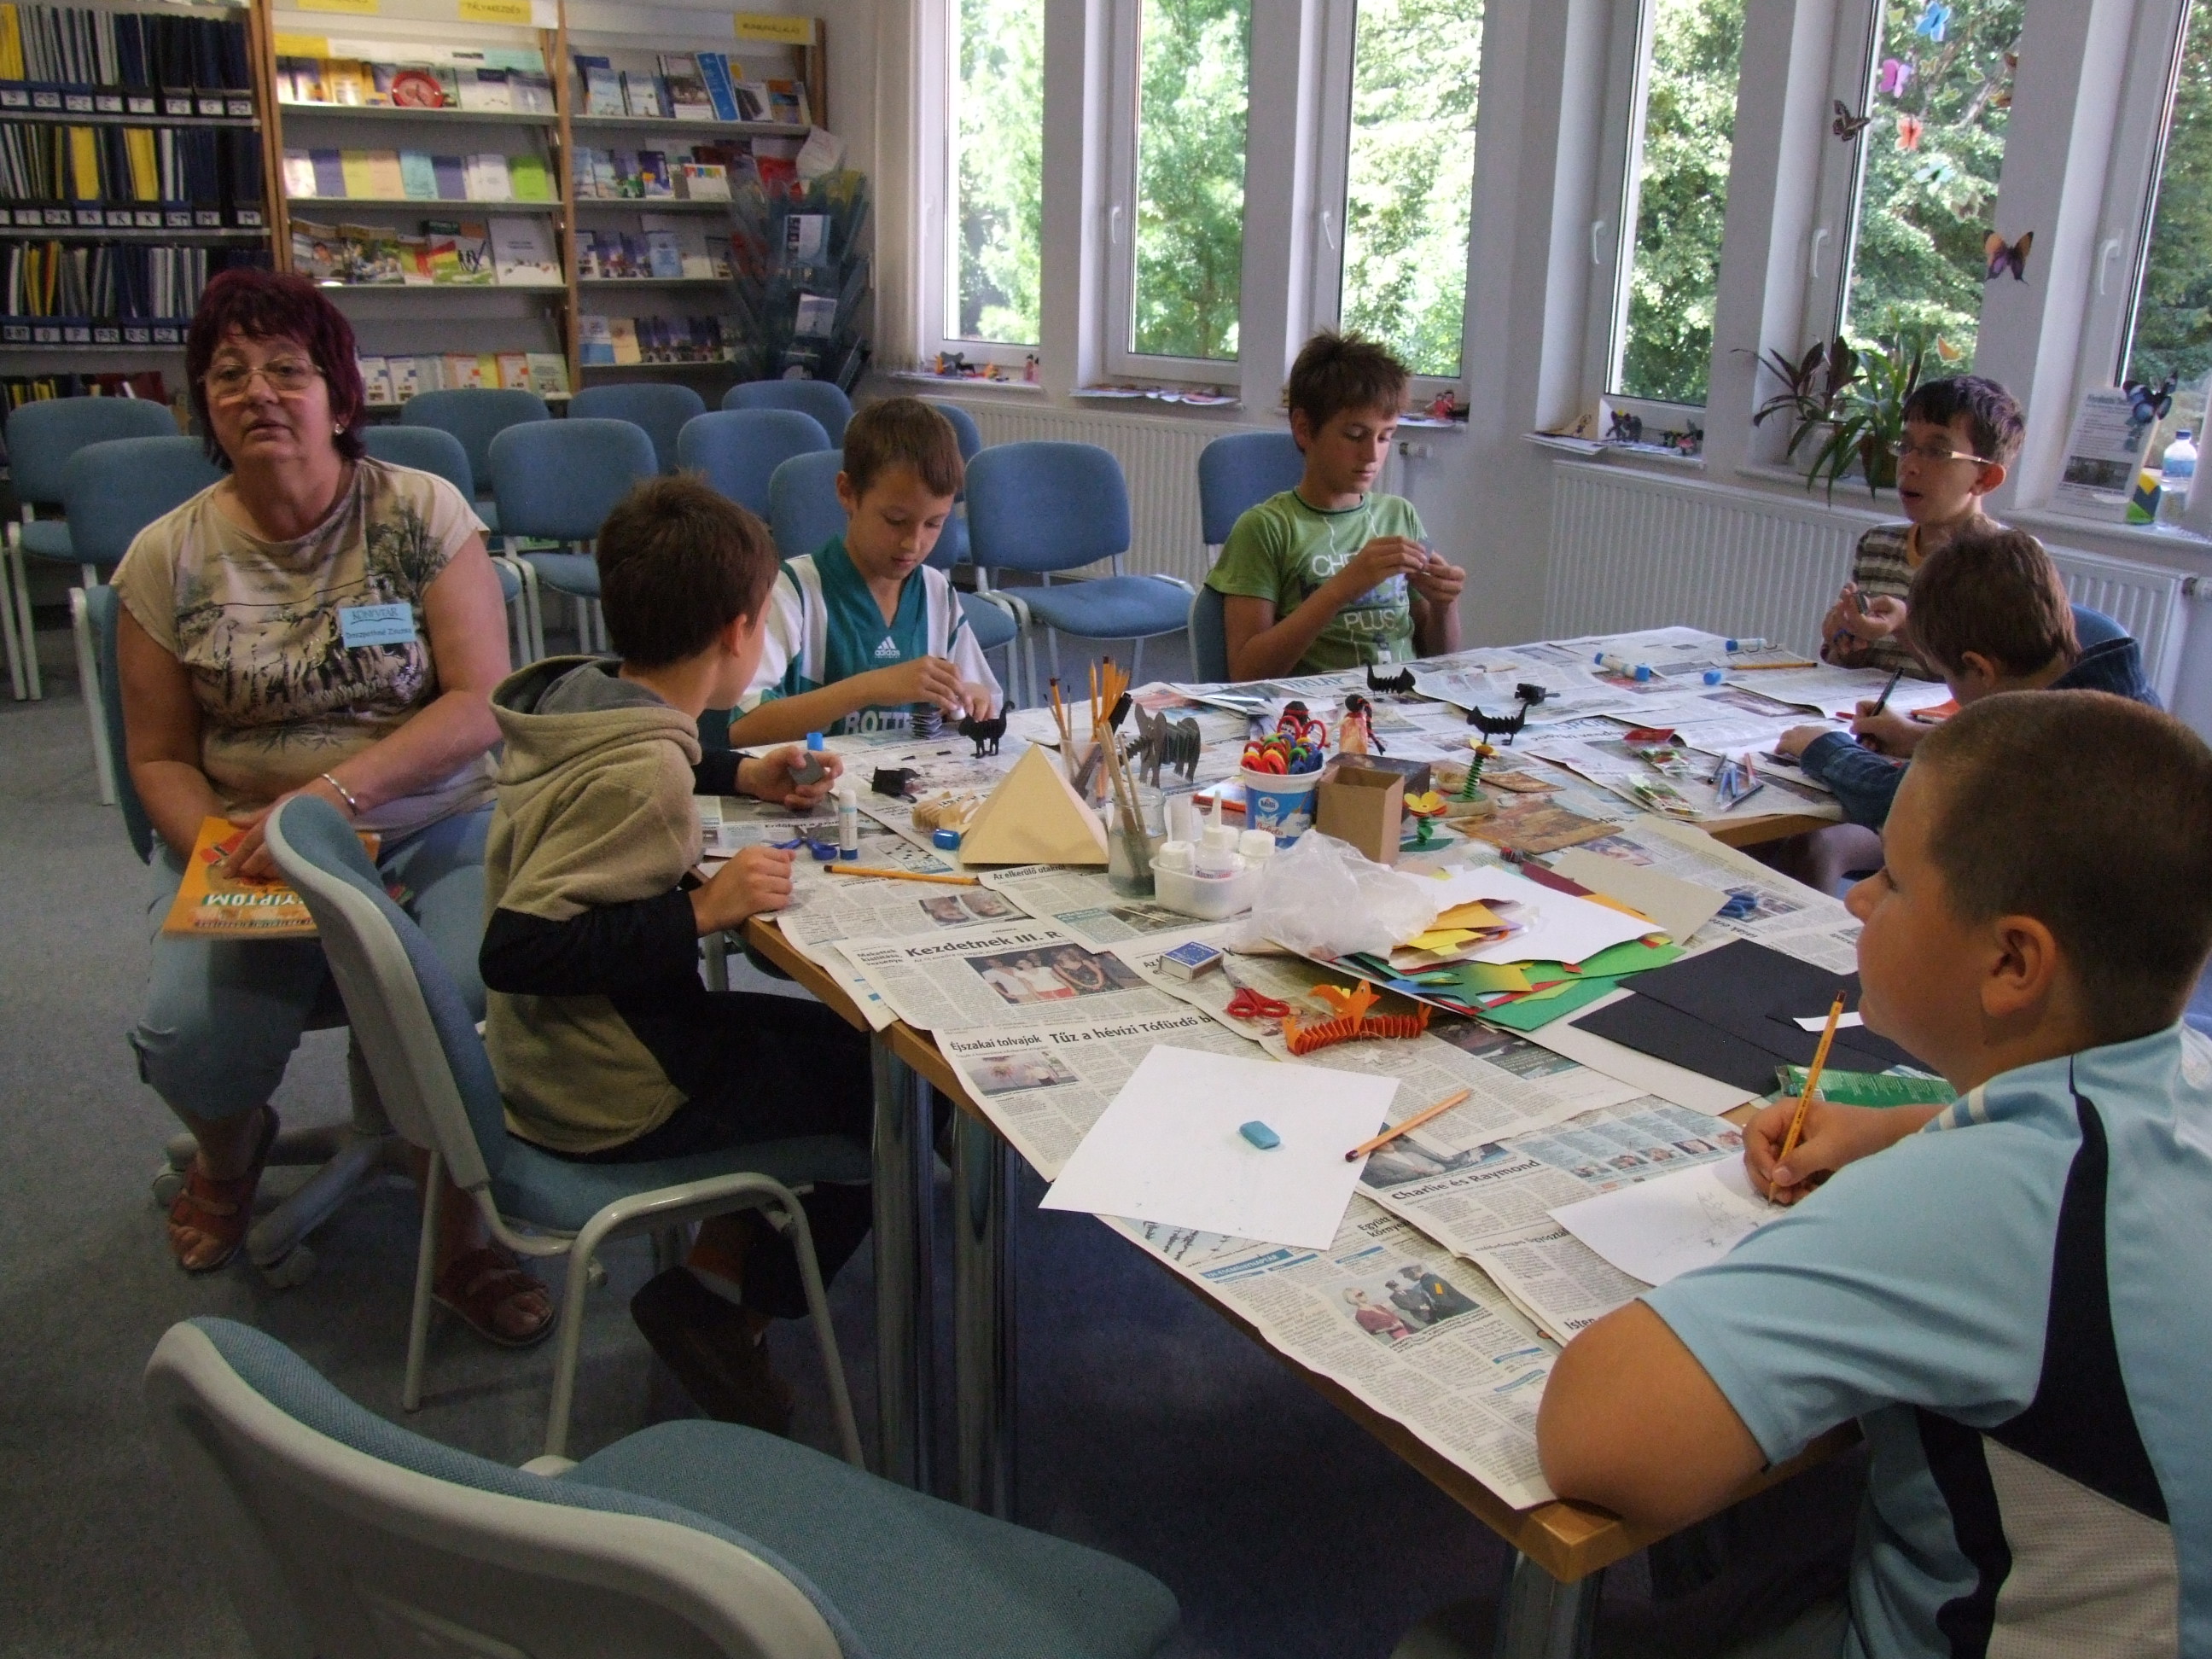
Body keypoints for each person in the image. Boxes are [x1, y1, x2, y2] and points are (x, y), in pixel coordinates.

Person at [1538, 690, 2212, 1659]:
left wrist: (1910, 1175)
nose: (1857, 898)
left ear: (2012, 962)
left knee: (1450, 1638)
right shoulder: (2184, 1069)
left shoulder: (1979, 1198)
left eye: (1891, 880)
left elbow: (1601, 1439)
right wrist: (1898, 1127)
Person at [115, 269, 547, 1343]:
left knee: (464, 990)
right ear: (204, 405)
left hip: (426, 821)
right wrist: (229, 854)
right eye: (228, 374)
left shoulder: (419, 513)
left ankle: (459, 1226)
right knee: (191, 1042)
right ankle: (231, 1154)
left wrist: (327, 802)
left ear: (339, 396)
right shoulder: (165, 556)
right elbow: (159, 756)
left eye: (286, 369)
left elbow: (480, 701)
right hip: (253, 846)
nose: (257, 391)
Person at [476, 474, 869, 1434]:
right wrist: (703, 912)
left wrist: (743, 770)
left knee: (837, 1050)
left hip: (568, 1047)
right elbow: (517, 948)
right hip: (607, 1087)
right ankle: (722, 1309)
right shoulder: (642, 771)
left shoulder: (588, 696)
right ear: (740, 633)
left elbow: (656, 753)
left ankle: (716, 1271)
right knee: (888, 1100)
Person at [1774, 527, 2157, 832]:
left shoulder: (2035, 748)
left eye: (1945, 674)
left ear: (1980, 669)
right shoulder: (2115, 691)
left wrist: (1823, 747)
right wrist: (1918, 737)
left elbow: (1898, 800)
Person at [726, 397, 998, 743]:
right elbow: (744, 728)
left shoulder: (936, 592)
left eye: (934, 524)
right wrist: (869, 688)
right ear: (847, 493)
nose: (913, 544)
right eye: (895, 520)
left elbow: (980, 695)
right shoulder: (791, 592)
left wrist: (973, 698)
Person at [1207, 331, 1465, 679]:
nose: (1372, 455)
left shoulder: (1399, 515)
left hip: (1403, 698)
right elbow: (1246, 674)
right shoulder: (1266, 529)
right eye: (1355, 435)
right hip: (1319, 708)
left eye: (1385, 436)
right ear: (1304, 429)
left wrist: (1444, 605)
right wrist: (1343, 587)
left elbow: (1440, 658)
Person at [1816, 375, 2023, 679]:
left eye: (1936, 452)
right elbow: (1855, 666)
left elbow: (1984, 686)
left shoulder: (2007, 562)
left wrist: (1904, 627)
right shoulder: (1878, 544)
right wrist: (1844, 639)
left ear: (1985, 478)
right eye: (1906, 446)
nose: (1909, 465)